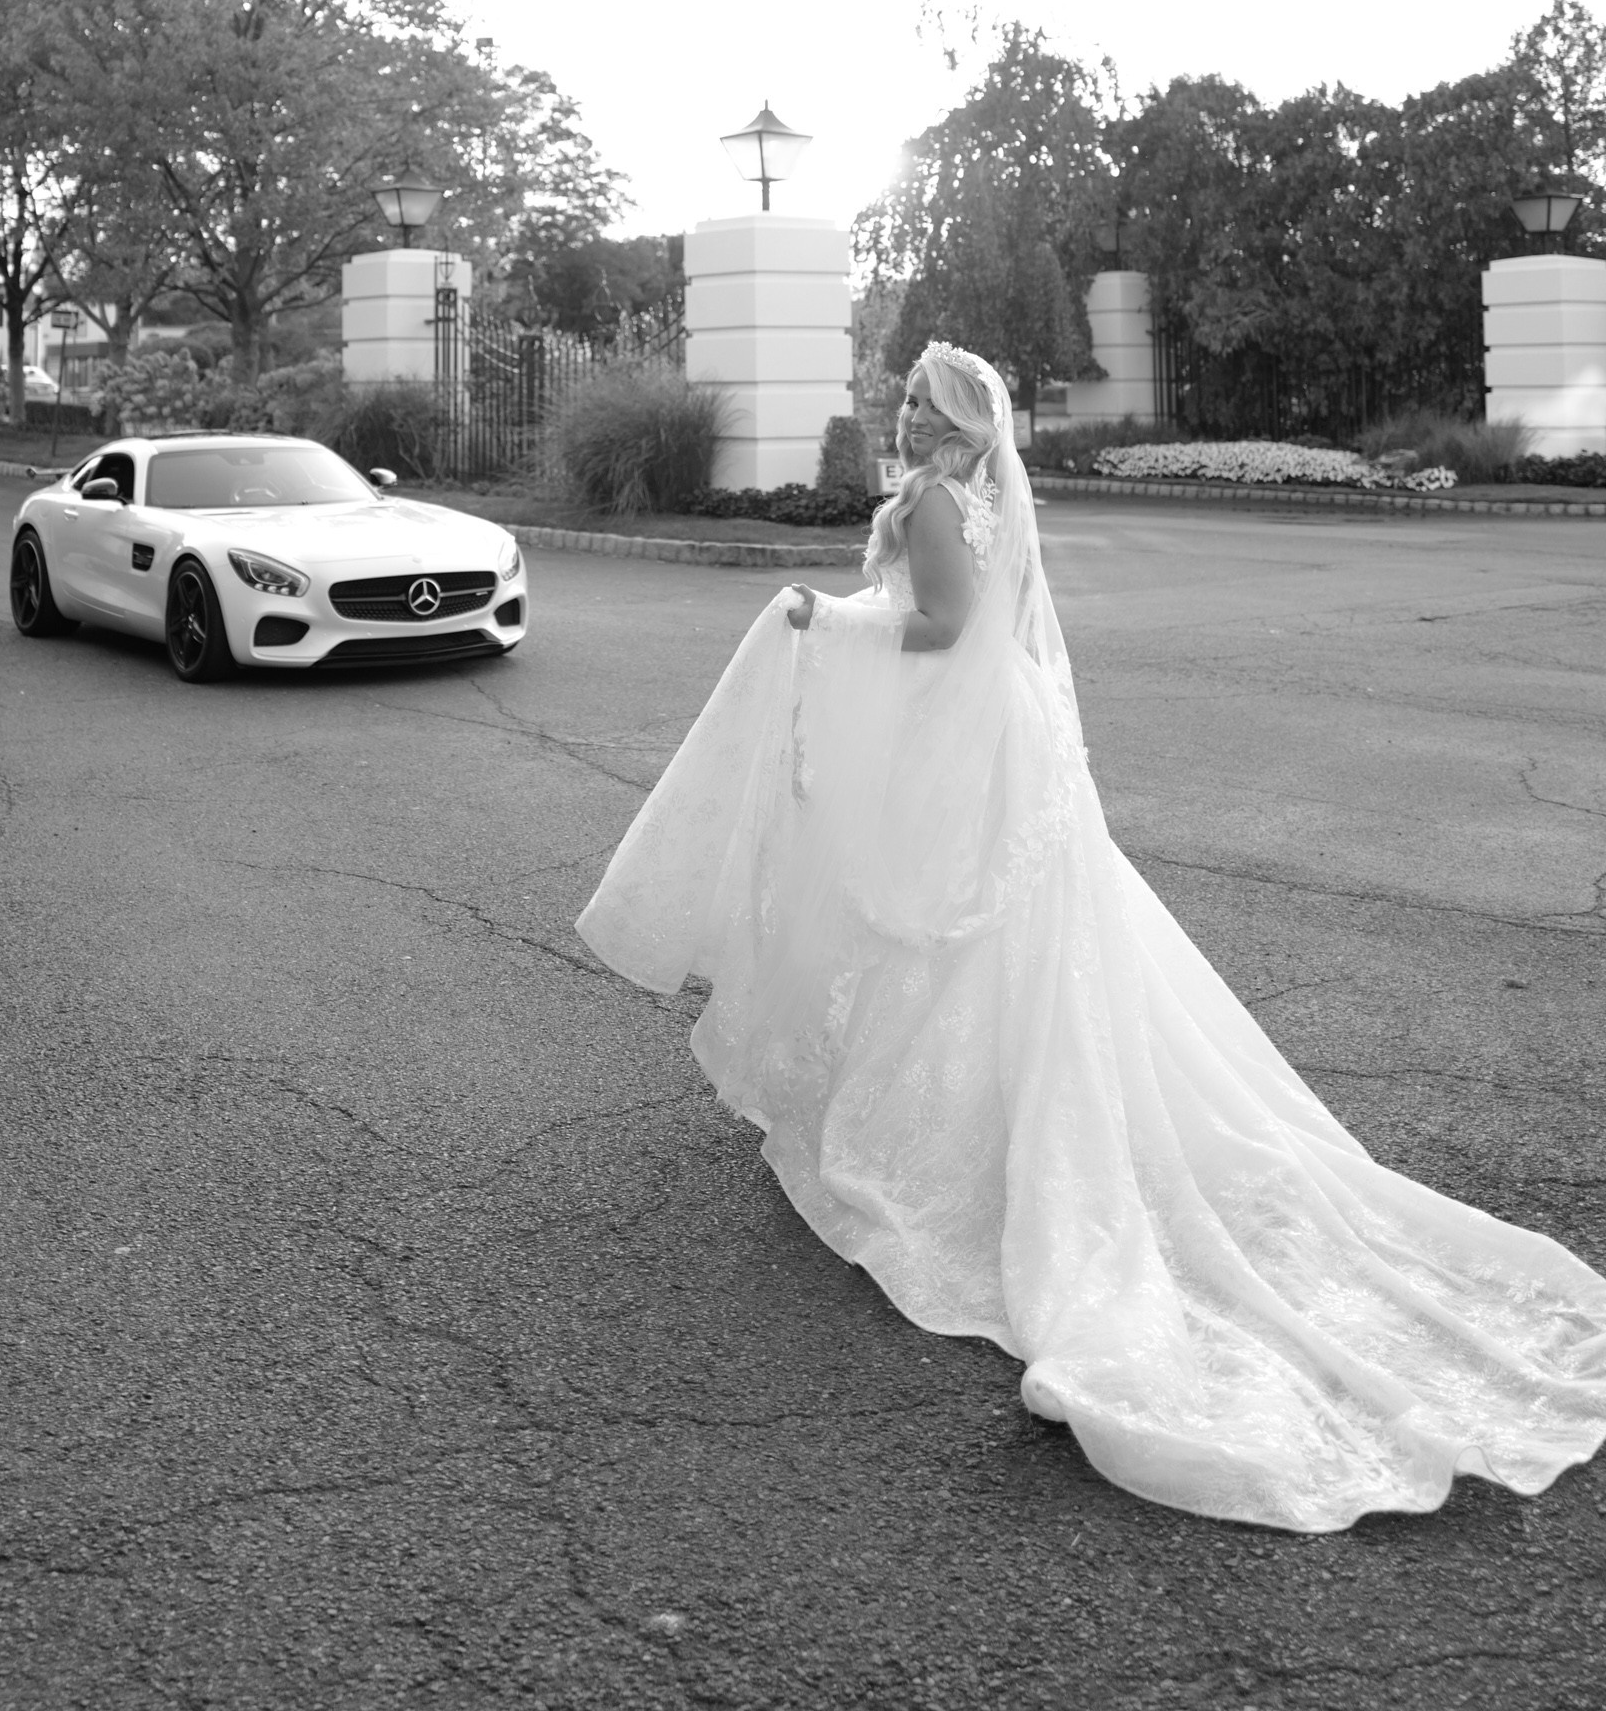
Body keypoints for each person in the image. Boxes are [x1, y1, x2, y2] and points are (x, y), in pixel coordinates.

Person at [575, 338, 1606, 1529]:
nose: (906, 417)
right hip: (995, 739)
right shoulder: (982, 495)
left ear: (968, 429)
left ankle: (961, 1127)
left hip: (966, 743)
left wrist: (821, 621)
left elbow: (939, 631)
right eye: (906, 399)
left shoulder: (928, 505)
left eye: (929, 406)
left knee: (958, 930)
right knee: (1014, 937)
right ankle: (986, 1097)